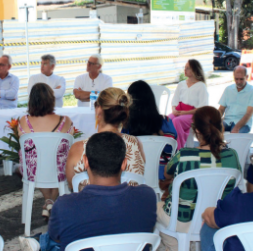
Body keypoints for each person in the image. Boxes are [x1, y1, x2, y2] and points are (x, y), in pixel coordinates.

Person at [20, 132, 157, 251]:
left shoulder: (65, 206)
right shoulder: (147, 197)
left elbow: (56, 237)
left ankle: (38, 242)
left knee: (52, 243)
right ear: (124, 163)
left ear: (85, 162)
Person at [157, 106, 241, 251]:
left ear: (196, 131)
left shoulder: (183, 155)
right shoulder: (232, 156)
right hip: (216, 218)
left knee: (154, 206)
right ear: (220, 126)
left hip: (181, 220)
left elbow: (166, 174)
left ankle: (173, 245)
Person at [66, 87, 145, 189]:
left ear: (98, 109)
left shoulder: (78, 148)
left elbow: (72, 185)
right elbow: (139, 181)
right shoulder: (135, 143)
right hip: (128, 203)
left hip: (89, 204)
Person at [18, 83, 74, 218]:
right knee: (60, 161)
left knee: (34, 162)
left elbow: (23, 145)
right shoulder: (65, 120)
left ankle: (47, 200)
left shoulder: (24, 121)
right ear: (51, 99)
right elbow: (69, 145)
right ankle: (51, 201)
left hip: (33, 172)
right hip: (59, 171)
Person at [168, 59, 208, 149]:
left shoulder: (201, 86)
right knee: (167, 120)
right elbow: (174, 101)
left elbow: (202, 107)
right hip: (179, 111)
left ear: (194, 70)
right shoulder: (181, 84)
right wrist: (174, 110)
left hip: (194, 114)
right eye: (184, 68)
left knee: (177, 121)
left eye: (188, 68)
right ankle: (168, 147)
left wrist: (184, 113)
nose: (185, 70)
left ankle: (178, 148)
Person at [218, 66, 253, 133]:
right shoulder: (228, 89)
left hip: (243, 123)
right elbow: (221, 109)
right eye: (236, 79)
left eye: (241, 79)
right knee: (211, 132)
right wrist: (215, 122)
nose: (238, 82)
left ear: (247, 77)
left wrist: (237, 127)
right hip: (227, 121)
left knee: (235, 137)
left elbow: (249, 113)